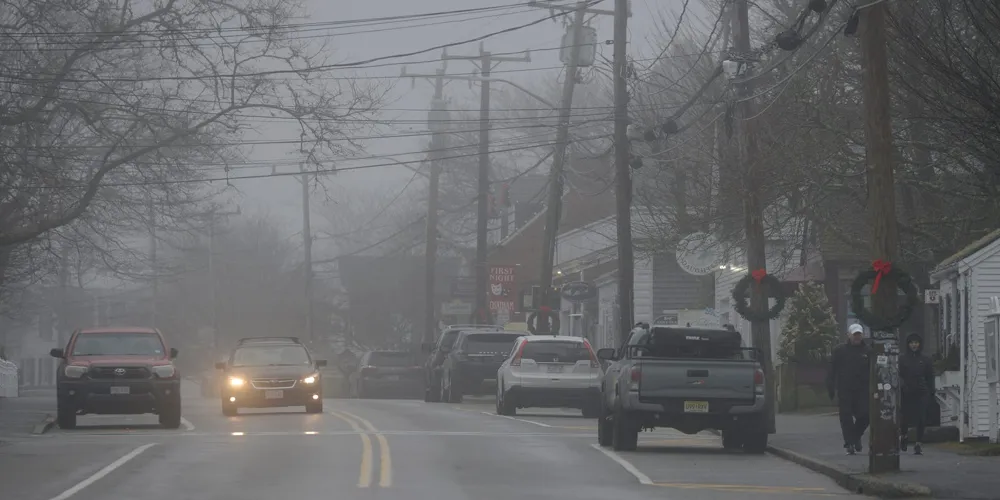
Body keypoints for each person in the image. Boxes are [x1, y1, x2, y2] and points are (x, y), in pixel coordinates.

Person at [827, 323, 872, 455]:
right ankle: (849, 443)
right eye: (854, 335)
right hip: (845, 389)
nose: (857, 337)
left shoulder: (868, 351)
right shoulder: (840, 350)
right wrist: (830, 387)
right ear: (849, 335)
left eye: (859, 334)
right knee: (846, 417)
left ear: (862, 335)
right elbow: (832, 370)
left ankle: (855, 436)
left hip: (862, 390)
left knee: (865, 416)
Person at [899, 333, 934, 455]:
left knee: (921, 417)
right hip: (907, 391)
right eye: (912, 343)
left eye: (916, 343)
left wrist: (931, 391)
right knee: (905, 417)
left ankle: (918, 443)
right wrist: (902, 385)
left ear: (920, 344)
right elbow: (898, 375)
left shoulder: (925, 360)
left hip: (922, 391)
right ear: (908, 344)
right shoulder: (902, 359)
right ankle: (903, 436)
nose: (914, 345)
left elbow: (930, 377)